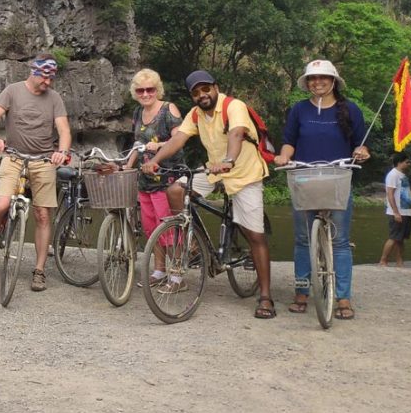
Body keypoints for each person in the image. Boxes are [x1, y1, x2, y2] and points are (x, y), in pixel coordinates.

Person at [142, 70, 275, 319]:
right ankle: (195, 244)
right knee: (175, 190)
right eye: (196, 92)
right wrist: (155, 160)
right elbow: (177, 140)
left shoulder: (233, 106)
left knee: (255, 235)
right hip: (215, 170)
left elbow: (236, 134)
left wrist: (228, 160)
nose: (202, 95)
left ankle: (266, 297)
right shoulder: (195, 114)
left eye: (206, 89)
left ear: (215, 87)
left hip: (244, 171)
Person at [273, 59, 368, 319]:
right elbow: (289, 142)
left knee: (340, 241)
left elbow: (361, 144)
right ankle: (302, 291)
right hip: (304, 177)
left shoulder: (350, 109)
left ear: (334, 80)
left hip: (338, 178)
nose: (317, 82)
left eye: (323, 78)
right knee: (303, 239)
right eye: (312, 79)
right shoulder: (299, 110)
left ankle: (343, 298)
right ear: (307, 83)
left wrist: (361, 152)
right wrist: (283, 156)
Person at [0, 54, 71, 293]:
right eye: (45, 78)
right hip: (13, 155)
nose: (48, 83)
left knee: (43, 214)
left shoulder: (54, 98)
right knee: (2, 203)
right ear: (34, 72)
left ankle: (39, 271)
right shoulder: (13, 91)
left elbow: (64, 130)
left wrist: (63, 151)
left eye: (51, 79)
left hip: (44, 159)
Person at [123, 69, 186, 288]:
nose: (146, 94)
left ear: (157, 89)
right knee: (151, 228)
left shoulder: (169, 109)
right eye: (141, 90)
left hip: (166, 176)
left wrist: (158, 145)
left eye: (150, 89)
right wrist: (127, 167)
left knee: (167, 226)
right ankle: (159, 270)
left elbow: (180, 137)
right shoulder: (138, 112)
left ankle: (177, 274)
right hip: (145, 178)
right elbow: (137, 143)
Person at [380, 152, 411, 268]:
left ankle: (399, 262)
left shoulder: (402, 175)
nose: (409, 164)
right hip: (398, 212)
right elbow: (390, 194)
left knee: (401, 238)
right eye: (407, 162)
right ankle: (383, 261)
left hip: (406, 212)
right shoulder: (393, 175)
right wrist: (396, 212)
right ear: (399, 162)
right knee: (394, 237)